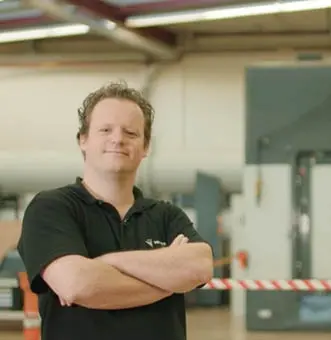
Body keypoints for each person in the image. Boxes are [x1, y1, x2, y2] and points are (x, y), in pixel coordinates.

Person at [17, 81, 214, 340]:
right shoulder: (51, 208)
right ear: (83, 140)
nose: (118, 139)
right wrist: (168, 280)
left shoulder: (167, 215)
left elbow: (199, 267)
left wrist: (106, 262)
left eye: (131, 133)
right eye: (105, 129)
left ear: (145, 147)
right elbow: (78, 284)